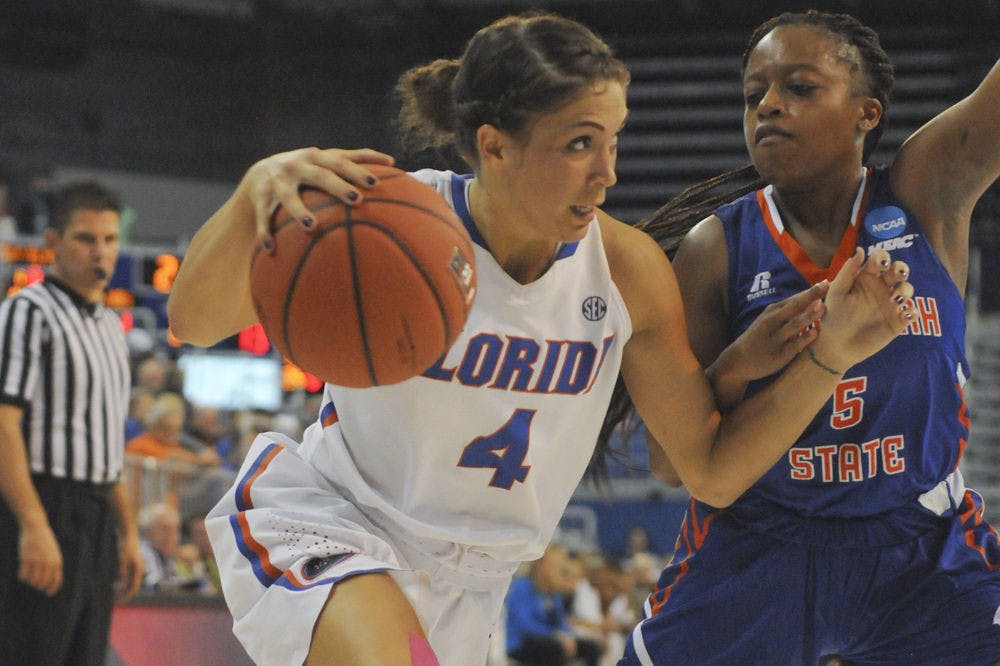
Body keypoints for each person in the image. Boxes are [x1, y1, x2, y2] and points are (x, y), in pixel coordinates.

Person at [167, 12, 913, 666]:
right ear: (493, 146)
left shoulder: (626, 271)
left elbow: (711, 470)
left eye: (613, 141)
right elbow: (192, 322)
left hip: (479, 581)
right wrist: (251, 196)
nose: (607, 173)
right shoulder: (387, 218)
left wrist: (829, 357)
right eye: (579, 145)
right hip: (338, 522)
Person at [620, 10, 1000, 665]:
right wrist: (737, 365)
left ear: (866, 112)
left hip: (921, 545)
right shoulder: (716, 249)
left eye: (799, 87)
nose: (768, 104)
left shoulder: (922, 192)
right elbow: (670, 461)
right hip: (758, 545)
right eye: (753, 94)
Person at [0, 181, 144, 664]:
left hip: (98, 513)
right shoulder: (27, 312)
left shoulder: (110, 325)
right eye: (85, 238)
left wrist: (128, 533)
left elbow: (108, 445)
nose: (98, 251)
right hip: (45, 502)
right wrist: (33, 523)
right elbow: (3, 425)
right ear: (53, 243)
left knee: (85, 656)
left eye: (108, 239)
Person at [506, 544, 603, 666]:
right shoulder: (521, 587)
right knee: (555, 648)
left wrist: (567, 636)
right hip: (521, 642)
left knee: (592, 647)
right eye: (555, 566)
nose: (559, 571)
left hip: (549, 641)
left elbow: (560, 622)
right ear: (541, 566)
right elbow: (524, 624)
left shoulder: (552, 593)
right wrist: (555, 635)